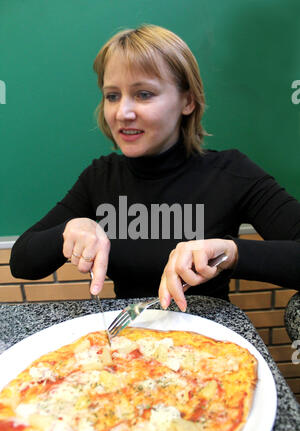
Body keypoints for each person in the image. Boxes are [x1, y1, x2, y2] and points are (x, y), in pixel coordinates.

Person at [10, 24, 300, 312]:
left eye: (143, 94)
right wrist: (67, 230)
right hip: (129, 343)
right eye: (112, 96)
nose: (122, 113)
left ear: (187, 100)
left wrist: (232, 252)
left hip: (209, 344)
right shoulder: (100, 177)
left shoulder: (231, 171)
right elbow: (21, 263)